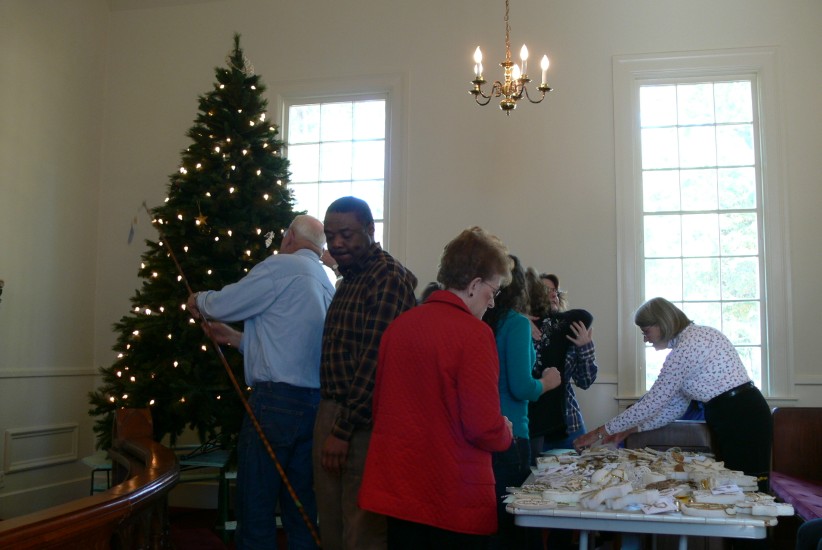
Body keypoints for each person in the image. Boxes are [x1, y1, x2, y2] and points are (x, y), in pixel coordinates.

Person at [358, 226, 514, 550]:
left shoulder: (400, 327)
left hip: (400, 488)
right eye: (494, 291)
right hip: (451, 492)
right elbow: (482, 425)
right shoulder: (474, 334)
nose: (492, 302)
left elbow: (381, 407)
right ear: (474, 285)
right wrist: (505, 432)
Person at [186, 214, 334, 550]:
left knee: (256, 502)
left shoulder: (281, 266)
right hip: (314, 406)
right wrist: (235, 338)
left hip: (275, 404)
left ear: (289, 237)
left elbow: (226, 303)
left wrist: (200, 301)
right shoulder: (324, 279)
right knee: (301, 507)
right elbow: (293, 343)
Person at [574, 297, 773, 490]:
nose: (645, 339)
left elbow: (651, 403)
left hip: (742, 416)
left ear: (662, 323)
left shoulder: (687, 347)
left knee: (749, 487)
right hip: (735, 414)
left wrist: (597, 433)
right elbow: (673, 409)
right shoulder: (695, 337)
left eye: (646, 331)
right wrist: (633, 428)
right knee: (736, 487)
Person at [314, 196, 418, 550]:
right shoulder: (349, 280)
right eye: (330, 236)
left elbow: (374, 363)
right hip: (334, 410)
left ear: (370, 230)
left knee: (361, 530)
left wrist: (341, 431)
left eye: (346, 234)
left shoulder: (386, 278)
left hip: (362, 421)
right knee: (331, 522)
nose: (337, 243)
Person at [483, 255, 561, 550]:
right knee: (516, 522)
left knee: (491, 520)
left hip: (482, 430)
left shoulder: (482, 320)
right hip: (512, 434)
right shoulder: (515, 324)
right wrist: (548, 381)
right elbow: (521, 387)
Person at [528, 273, 598, 459]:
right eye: (546, 290)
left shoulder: (569, 333)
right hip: (534, 427)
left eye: (555, 291)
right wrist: (520, 318)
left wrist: (585, 348)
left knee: (576, 473)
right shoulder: (521, 329)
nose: (553, 295)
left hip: (570, 423)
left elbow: (585, 381)